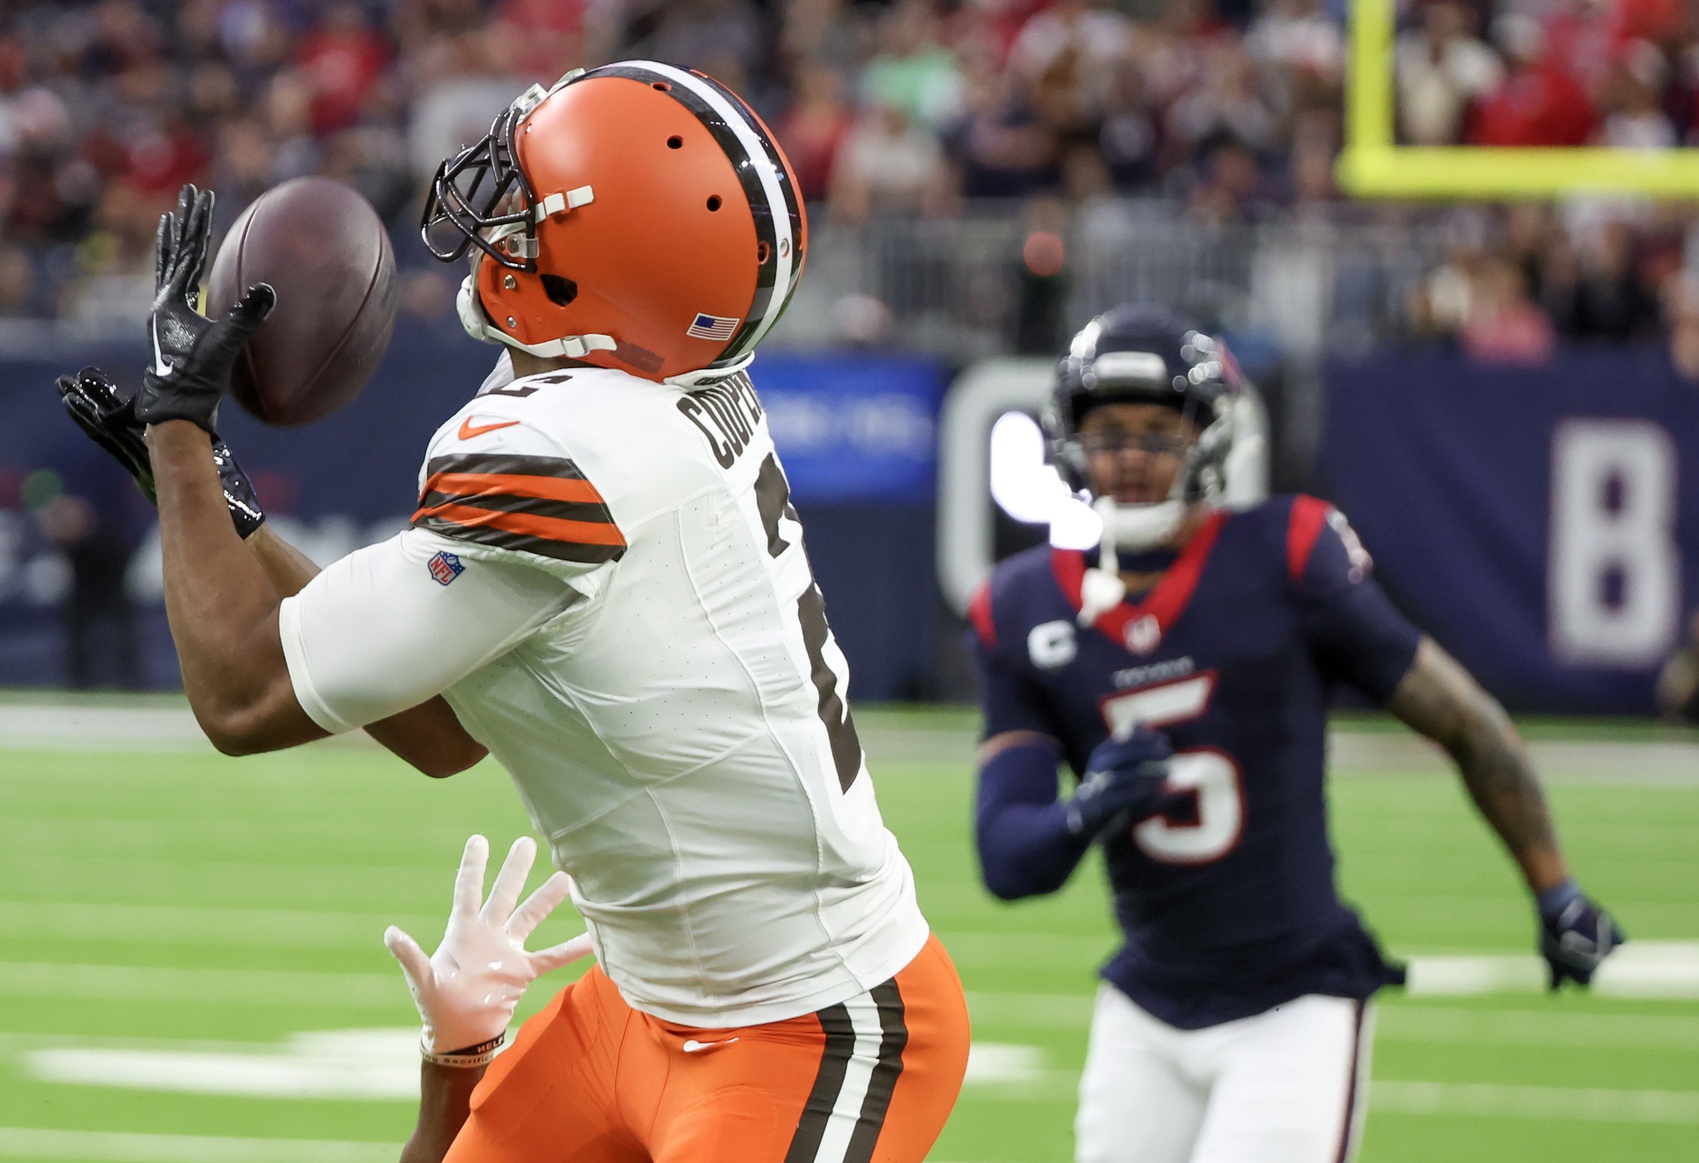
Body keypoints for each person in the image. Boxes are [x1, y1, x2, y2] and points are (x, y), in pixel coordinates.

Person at [56, 62, 969, 1163]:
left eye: (529, 209)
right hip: (638, 1002)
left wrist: (178, 432)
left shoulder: (569, 450)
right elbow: (442, 727)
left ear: (610, 259)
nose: (496, 222)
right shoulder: (638, 391)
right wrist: (219, 505)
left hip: (804, 1018)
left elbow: (243, 696)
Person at [967, 305, 1623, 1163]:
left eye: (1158, 431)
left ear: (1205, 439)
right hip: (1145, 1003)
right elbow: (1007, 859)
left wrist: (1554, 888)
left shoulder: (1283, 554)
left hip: (1291, 998)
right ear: (1070, 441)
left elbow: (1464, 722)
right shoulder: (1022, 605)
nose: (1130, 456)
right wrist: (1083, 812)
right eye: (1110, 430)